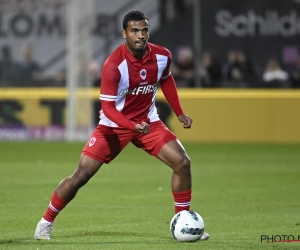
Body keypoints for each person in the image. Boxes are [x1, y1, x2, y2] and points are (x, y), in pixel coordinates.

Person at [34, 11, 209, 241]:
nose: (140, 35)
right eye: (134, 31)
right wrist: (131, 125)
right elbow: (107, 109)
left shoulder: (162, 56)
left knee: (182, 162)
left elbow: (166, 79)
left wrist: (179, 113)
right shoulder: (114, 65)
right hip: (113, 126)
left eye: (144, 30)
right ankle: (45, 222)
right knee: (81, 175)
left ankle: (183, 225)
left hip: (148, 122)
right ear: (124, 33)